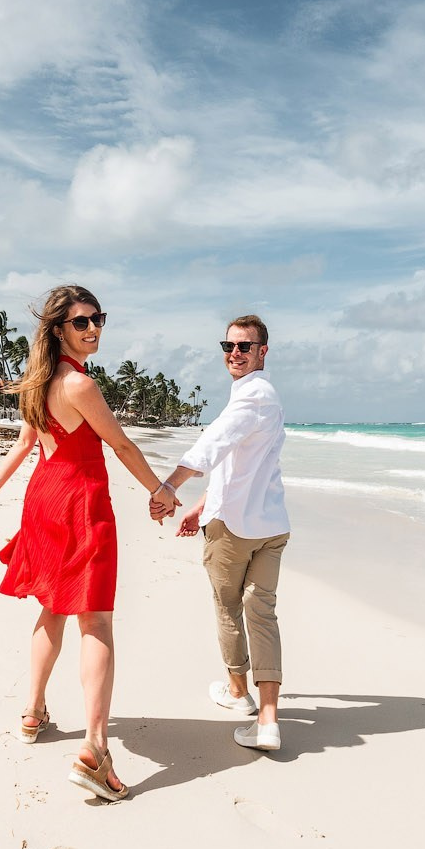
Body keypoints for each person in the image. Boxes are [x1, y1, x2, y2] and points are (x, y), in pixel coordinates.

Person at [0, 285, 178, 802]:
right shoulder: (78, 384)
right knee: (94, 618)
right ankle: (95, 751)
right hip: (78, 503)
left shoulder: (40, 381)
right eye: (82, 322)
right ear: (59, 330)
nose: (94, 328)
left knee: (53, 607)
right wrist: (160, 492)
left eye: (99, 318)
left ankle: (32, 713)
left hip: (45, 498)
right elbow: (119, 443)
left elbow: (27, 442)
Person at [150, 315, 289, 752]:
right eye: (228, 346)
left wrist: (169, 486)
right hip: (271, 525)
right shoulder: (262, 398)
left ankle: (238, 694)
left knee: (229, 609)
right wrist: (198, 507)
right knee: (262, 614)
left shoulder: (253, 397)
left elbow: (210, 448)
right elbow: (237, 466)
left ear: (263, 352)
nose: (234, 353)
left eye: (244, 347)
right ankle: (267, 720)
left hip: (234, 531)